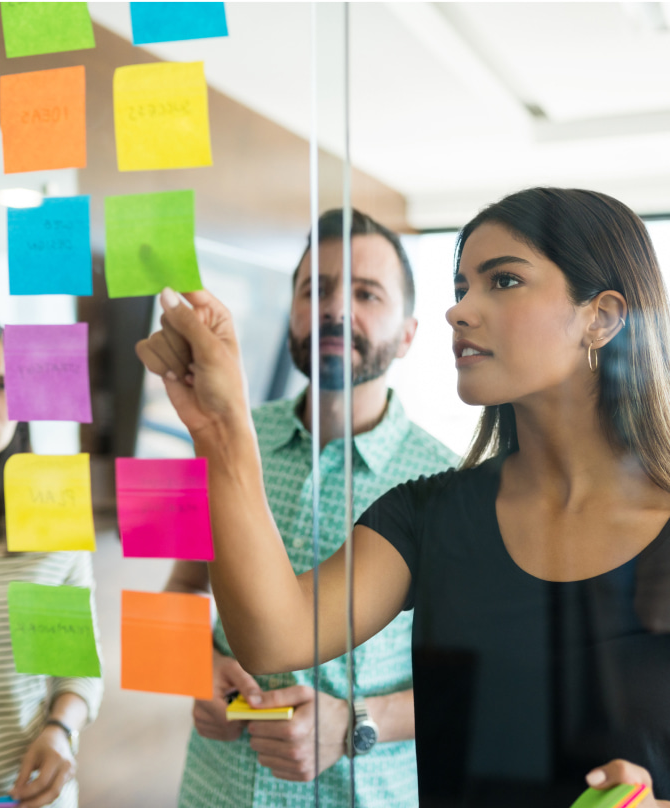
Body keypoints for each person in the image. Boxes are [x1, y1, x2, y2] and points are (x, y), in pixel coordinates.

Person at [136, 188, 670, 807]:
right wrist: (221, 433)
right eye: (463, 287)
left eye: (503, 281)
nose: (461, 311)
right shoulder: (427, 511)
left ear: (600, 317)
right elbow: (264, 632)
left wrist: (356, 723)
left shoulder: (428, 467)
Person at [163, 209, 458, 807]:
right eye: (314, 289)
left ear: (407, 334)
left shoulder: (452, 483)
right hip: (218, 785)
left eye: (366, 293)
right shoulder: (218, 437)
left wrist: (356, 723)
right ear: (293, 312)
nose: (334, 309)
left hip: (364, 791)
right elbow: (177, 591)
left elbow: (478, 682)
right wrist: (193, 667)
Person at [0, 321, 103, 808]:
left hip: (24, 790)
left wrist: (61, 730)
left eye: (0, 386)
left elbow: (75, 667)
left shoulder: (53, 508)